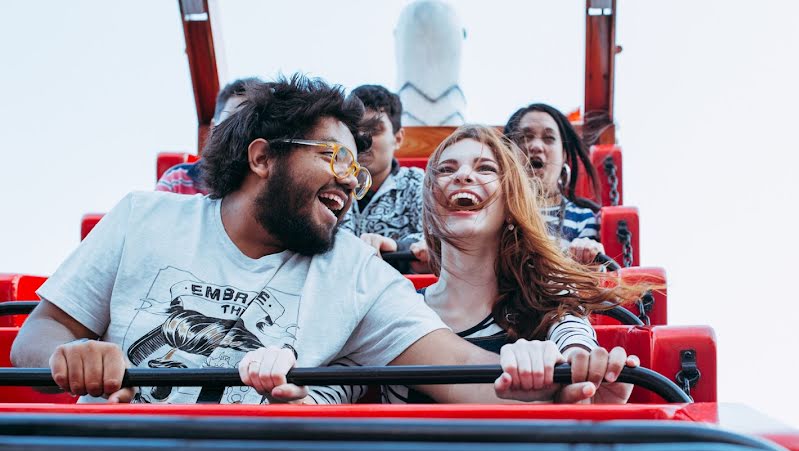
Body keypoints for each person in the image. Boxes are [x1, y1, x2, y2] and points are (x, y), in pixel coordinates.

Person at [11, 75, 613, 405]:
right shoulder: (145, 218)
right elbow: (36, 337)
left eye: (357, 168)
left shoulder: (356, 272)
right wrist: (70, 359)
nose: (349, 181)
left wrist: (555, 385)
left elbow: (460, 373)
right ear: (262, 158)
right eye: (332, 157)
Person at [378, 125, 645, 404]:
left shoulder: (547, 301)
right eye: (446, 169)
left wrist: (580, 373)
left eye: (485, 168)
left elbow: (573, 337)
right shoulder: (398, 307)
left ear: (509, 207)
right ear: (430, 211)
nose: (463, 175)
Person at [504, 103, 605, 265]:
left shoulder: (583, 219)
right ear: (508, 152)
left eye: (549, 138)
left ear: (564, 155)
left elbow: (588, 284)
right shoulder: (494, 213)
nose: (536, 146)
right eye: (525, 137)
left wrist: (591, 262)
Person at [341, 85, 427, 273]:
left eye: (375, 129)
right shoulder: (331, 184)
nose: (363, 139)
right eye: (356, 130)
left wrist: (397, 246)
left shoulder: (417, 183)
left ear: (398, 138)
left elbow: (435, 239)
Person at [155, 77, 262, 195]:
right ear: (212, 127)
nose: (238, 132)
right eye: (230, 122)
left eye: (249, 124)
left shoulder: (268, 187)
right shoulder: (177, 182)